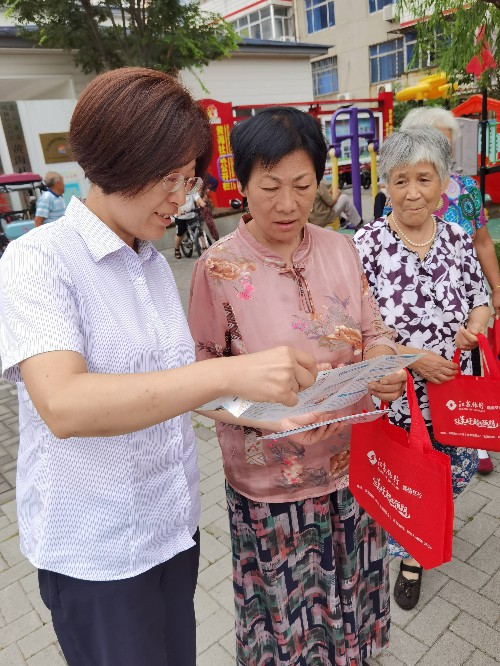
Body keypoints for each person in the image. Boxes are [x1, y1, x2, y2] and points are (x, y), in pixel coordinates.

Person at [0, 69, 322, 666]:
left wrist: (256, 409)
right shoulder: (37, 261)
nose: (182, 197)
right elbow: (65, 405)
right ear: (114, 163)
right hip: (98, 552)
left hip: (170, 530)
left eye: (189, 179)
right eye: (169, 179)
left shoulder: (147, 261)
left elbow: (168, 383)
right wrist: (231, 373)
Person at [188, 106, 407, 665]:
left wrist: (382, 364)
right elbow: (200, 378)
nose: (287, 204)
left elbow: (373, 327)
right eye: (270, 187)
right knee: (289, 617)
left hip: (354, 468)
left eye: (303, 185)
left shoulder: (339, 248)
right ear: (242, 183)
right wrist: (261, 414)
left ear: (319, 180)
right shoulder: (217, 268)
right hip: (271, 484)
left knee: (352, 598)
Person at [354, 127, 490, 611]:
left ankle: (429, 524)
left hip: (456, 393)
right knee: (407, 471)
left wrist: (476, 324)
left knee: (454, 469)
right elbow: (354, 324)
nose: (413, 191)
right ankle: (411, 555)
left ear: (443, 184)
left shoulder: (455, 236)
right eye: (401, 179)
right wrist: (413, 358)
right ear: (385, 185)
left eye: (424, 179)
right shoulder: (364, 244)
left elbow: (480, 298)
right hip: (400, 396)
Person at [398, 107, 500, 475]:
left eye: (448, 146)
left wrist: (493, 292)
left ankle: (475, 432)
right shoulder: (391, 210)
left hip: (457, 349)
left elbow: (482, 243)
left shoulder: (466, 190)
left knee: (459, 445)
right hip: (406, 373)